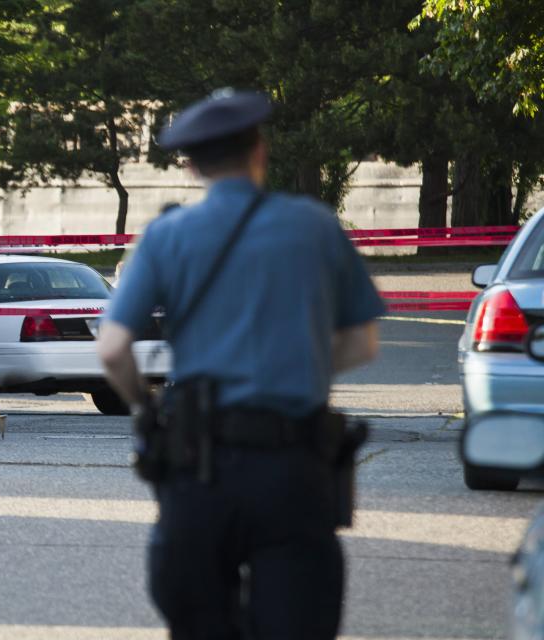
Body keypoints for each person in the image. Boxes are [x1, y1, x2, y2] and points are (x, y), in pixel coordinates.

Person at [97, 89, 385, 639]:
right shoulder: (314, 225)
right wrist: (295, 370)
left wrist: (146, 406)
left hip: (199, 468)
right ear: (260, 149)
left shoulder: (167, 236)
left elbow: (112, 348)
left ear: (190, 164)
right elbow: (363, 343)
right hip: (294, 468)